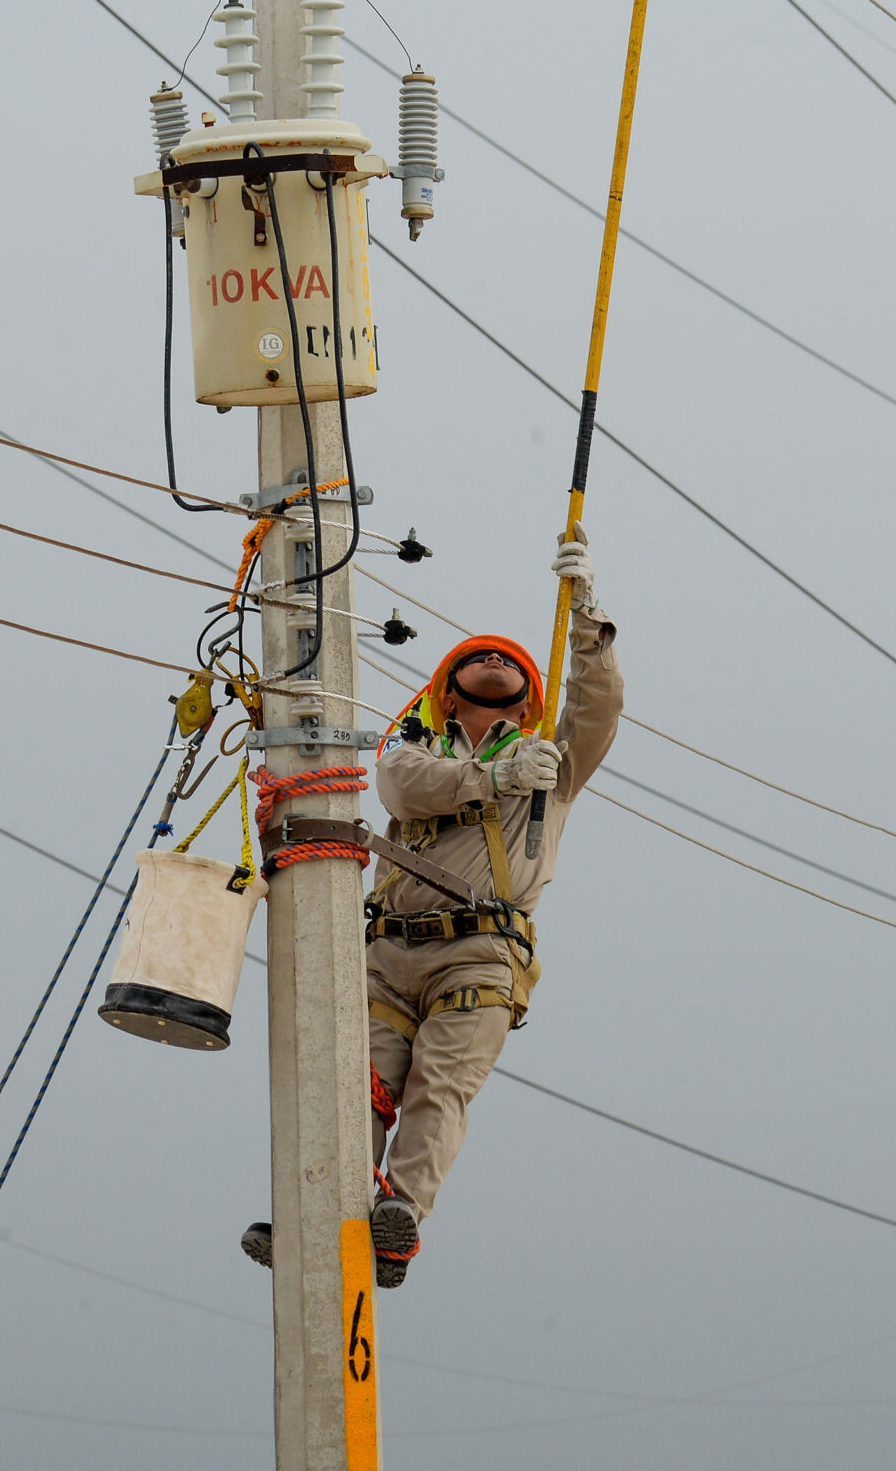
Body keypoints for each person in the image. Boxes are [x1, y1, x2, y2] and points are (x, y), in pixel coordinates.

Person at [242, 527, 620, 1287]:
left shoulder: (554, 763)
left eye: (510, 661)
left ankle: (401, 1214)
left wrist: (587, 619)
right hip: (388, 955)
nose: (494, 659)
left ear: (528, 693)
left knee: (436, 1086)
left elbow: (599, 704)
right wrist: (493, 776)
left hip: (479, 953)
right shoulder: (418, 750)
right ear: (448, 691)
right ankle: (324, 1209)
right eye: (477, 656)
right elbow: (399, 787)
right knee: (358, 1088)